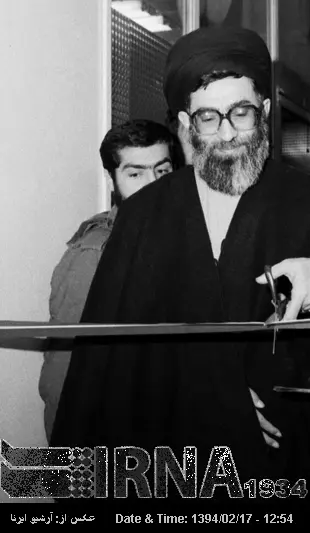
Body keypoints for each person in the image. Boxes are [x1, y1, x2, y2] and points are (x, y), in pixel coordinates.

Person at [50, 27, 310, 502]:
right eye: (208, 117)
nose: (226, 134)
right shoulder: (142, 218)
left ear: (265, 110)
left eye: (241, 113)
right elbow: (111, 366)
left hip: (288, 468)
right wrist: (212, 394)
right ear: (186, 123)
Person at [38, 119, 179, 443]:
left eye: (162, 171)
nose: (153, 185)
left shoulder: (176, 236)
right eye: (135, 174)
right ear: (110, 178)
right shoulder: (95, 253)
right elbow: (63, 371)